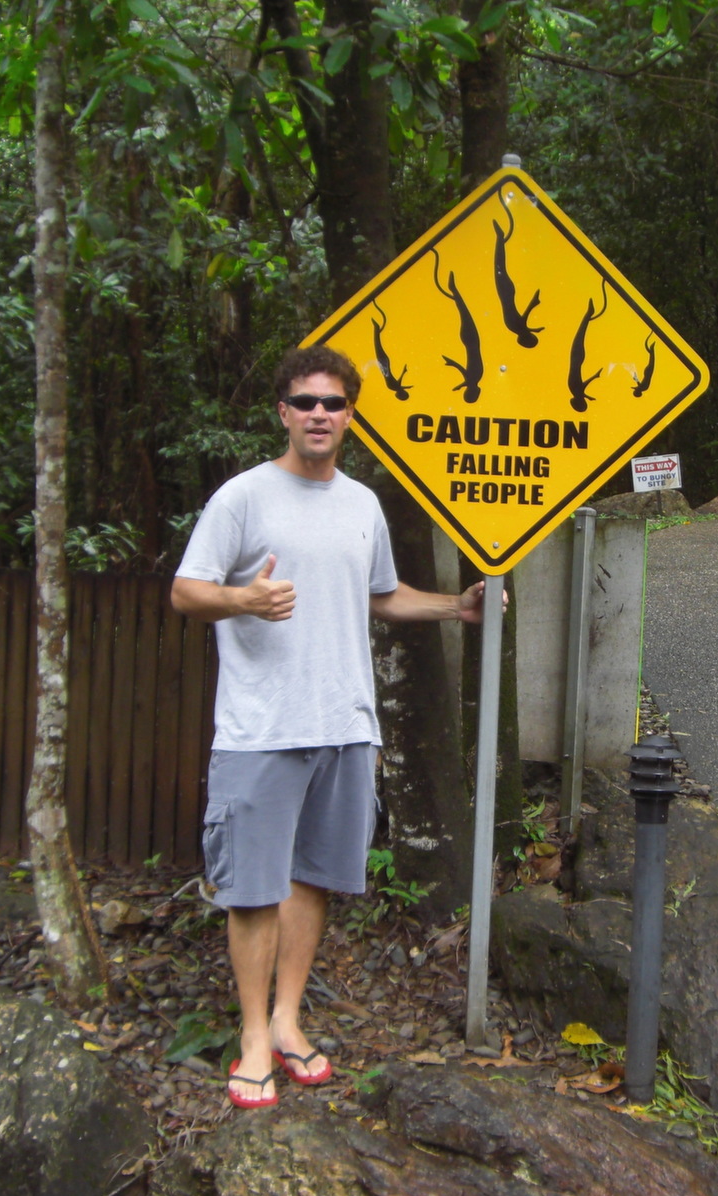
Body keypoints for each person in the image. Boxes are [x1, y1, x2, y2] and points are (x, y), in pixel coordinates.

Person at [171, 344, 491, 1108]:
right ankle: (253, 1037)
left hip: (344, 724)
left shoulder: (361, 505)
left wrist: (455, 607)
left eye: (334, 403)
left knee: (312, 878)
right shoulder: (244, 498)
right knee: (253, 889)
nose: (320, 414)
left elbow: (381, 595)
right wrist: (243, 600)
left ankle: (287, 1020)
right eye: (306, 402)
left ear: (350, 416)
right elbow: (186, 591)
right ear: (283, 412)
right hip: (260, 728)